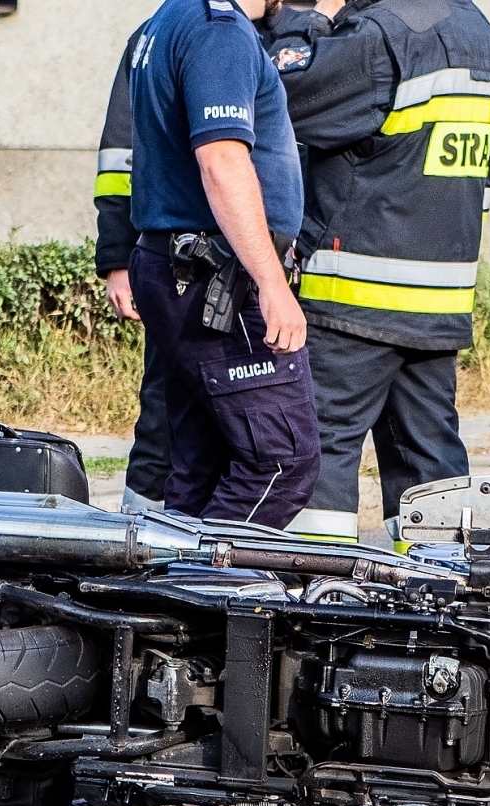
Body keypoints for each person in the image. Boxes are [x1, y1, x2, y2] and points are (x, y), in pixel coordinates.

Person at [265, 0, 490, 546]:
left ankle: (319, 599)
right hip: (440, 300)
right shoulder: (481, 33)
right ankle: (443, 601)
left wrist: (310, 22)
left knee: (321, 449)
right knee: (429, 459)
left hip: (352, 299)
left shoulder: (379, 35)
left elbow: (280, 97)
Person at [126, 0, 319, 528]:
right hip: (218, 280)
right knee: (281, 461)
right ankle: (210, 587)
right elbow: (221, 160)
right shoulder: (220, 31)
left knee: (202, 466)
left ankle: (178, 598)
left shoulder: (168, 20)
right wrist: (271, 284)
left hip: (178, 268)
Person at [95, 18, 171, 514]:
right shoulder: (153, 37)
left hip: (258, 274)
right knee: (164, 415)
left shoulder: (285, 33)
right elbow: (120, 158)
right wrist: (118, 259)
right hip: (176, 265)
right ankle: (138, 540)